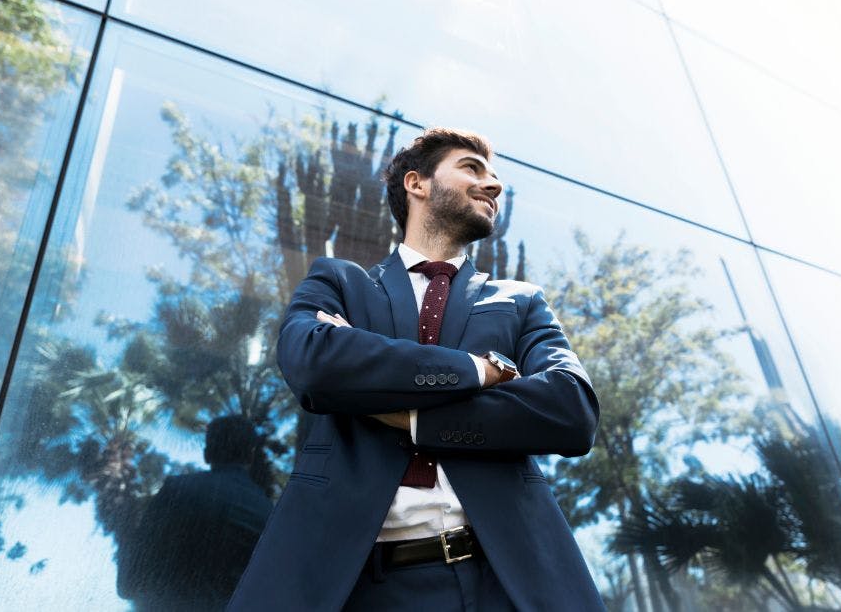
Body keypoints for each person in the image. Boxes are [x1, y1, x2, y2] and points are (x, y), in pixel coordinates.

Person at [229, 128, 604, 611]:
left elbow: (571, 410)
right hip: (355, 586)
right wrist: (475, 371)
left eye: (495, 176)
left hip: (504, 582)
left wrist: (414, 419)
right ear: (417, 183)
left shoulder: (521, 302)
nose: (494, 185)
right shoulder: (339, 281)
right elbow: (314, 363)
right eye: (472, 167)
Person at [118, 415, 272, 611]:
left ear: (207, 454)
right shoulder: (269, 514)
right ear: (251, 455)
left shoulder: (176, 491)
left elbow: (128, 582)